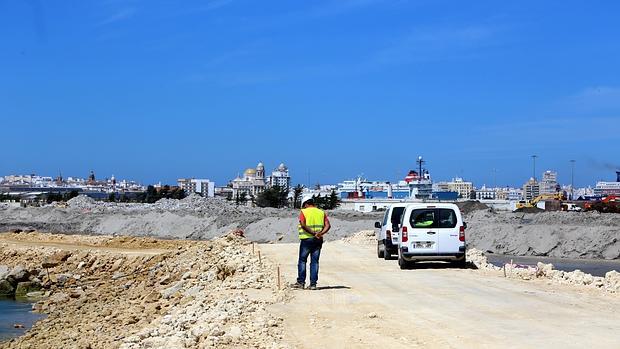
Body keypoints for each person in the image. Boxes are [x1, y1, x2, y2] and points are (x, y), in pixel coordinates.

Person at [292, 197, 331, 290]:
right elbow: (328, 225)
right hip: (318, 240)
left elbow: (302, 224)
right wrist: (320, 233)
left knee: (302, 260)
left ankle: (301, 282)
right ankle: (313, 284)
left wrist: (313, 233)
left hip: (306, 239)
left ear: (306, 204)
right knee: (315, 262)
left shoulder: (304, 212)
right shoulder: (321, 212)